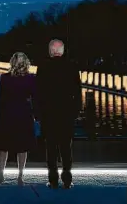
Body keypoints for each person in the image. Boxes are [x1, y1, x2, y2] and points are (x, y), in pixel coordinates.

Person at [35, 39, 82, 189]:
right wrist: (76, 111)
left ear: (50, 51)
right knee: (66, 147)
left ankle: (53, 178)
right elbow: (77, 92)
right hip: (66, 113)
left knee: (51, 147)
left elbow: (37, 93)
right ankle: (67, 178)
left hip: (48, 113)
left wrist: (37, 113)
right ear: (62, 51)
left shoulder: (43, 67)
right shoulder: (72, 66)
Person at [0, 52, 37, 186]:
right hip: (24, 113)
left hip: (8, 113)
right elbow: (35, 98)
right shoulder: (31, 78)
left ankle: (1, 175)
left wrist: (0, 116)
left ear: (12, 62)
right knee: (22, 147)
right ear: (26, 63)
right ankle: (20, 177)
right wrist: (36, 115)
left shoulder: (4, 78)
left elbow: (1, 99)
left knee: (3, 146)